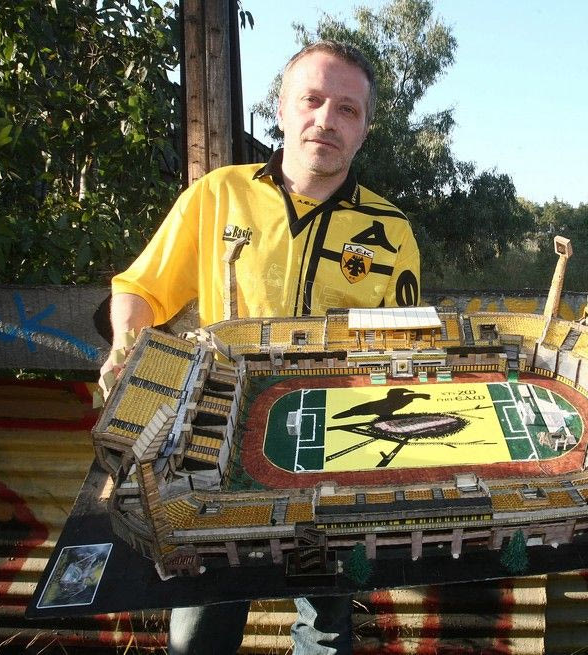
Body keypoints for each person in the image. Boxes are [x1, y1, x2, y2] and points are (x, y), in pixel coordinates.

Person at [100, 40, 421, 655]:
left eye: (347, 109)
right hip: (213, 445)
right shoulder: (217, 194)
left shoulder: (391, 232)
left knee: (324, 629)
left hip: (336, 453)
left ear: (365, 130)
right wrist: (125, 346)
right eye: (311, 99)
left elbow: (403, 351)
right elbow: (142, 288)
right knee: (200, 630)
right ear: (281, 108)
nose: (326, 119)